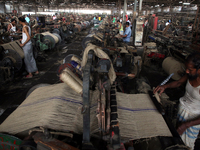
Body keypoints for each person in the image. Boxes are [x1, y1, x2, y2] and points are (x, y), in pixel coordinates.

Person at [153, 53, 200, 149]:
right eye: (186, 68)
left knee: (187, 145)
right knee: (177, 137)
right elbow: (178, 82)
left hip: (194, 119)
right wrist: (165, 86)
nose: (187, 71)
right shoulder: (191, 76)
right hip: (182, 111)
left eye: (190, 70)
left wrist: (186, 125)